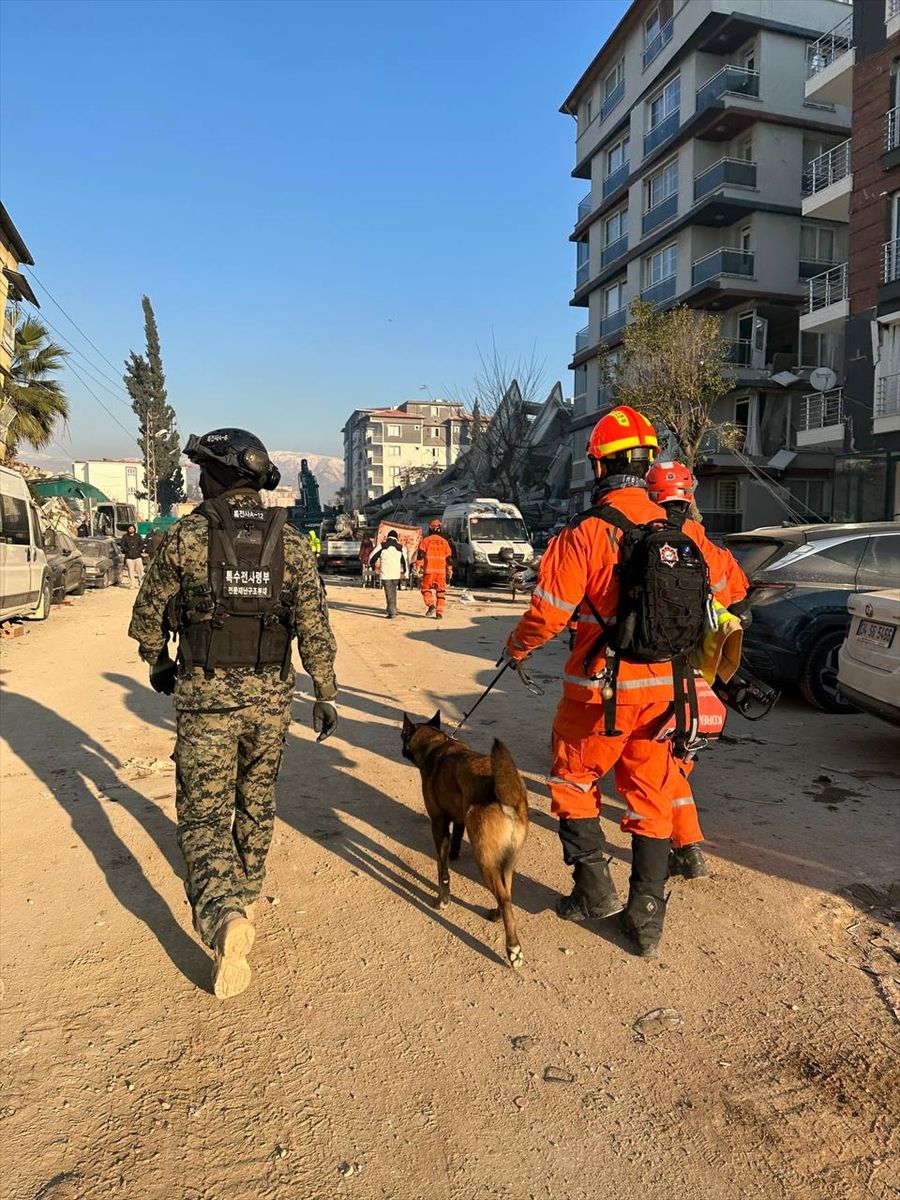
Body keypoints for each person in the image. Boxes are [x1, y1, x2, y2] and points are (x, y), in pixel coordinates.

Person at [503, 406, 745, 957]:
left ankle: (593, 890)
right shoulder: (684, 535)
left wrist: (516, 648)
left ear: (599, 466)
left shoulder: (585, 534)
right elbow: (733, 587)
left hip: (600, 694)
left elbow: (548, 614)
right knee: (653, 796)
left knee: (572, 781)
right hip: (670, 693)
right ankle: (647, 916)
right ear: (649, 462)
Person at [128, 428, 338, 999]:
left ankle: (223, 916)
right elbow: (315, 626)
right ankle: (244, 896)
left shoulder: (186, 536)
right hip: (271, 702)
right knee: (256, 803)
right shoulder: (290, 543)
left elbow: (148, 617)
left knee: (202, 816)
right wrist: (325, 691)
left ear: (218, 475)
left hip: (206, 700)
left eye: (203, 468)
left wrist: (158, 662)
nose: (199, 477)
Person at [644, 459, 750, 880]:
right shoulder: (705, 545)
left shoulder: (639, 535)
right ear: (690, 495)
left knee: (656, 765)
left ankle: (686, 847)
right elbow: (736, 595)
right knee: (677, 760)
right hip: (696, 672)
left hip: (649, 669)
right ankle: (687, 846)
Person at [417, 519, 454, 619]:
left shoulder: (426, 541)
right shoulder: (444, 542)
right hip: (441, 572)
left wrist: (418, 567)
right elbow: (449, 559)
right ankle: (439, 613)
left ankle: (431, 604)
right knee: (441, 592)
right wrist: (449, 571)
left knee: (425, 589)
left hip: (429, 570)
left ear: (430, 528)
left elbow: (420, 555)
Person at [368, 530, 408, 618]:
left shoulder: (382, 546)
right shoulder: (401, 548)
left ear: (388, 537)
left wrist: (372, 566)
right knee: (393, 592)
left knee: (389, 592)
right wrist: (405, 573)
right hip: (396, 573)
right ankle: (393, 608)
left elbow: (371, 557)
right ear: (396, 538)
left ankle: (392, 612)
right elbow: (405, 561)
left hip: (386, 573)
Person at [120, 525, 145, 589]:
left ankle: (141, 583)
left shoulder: (138, 536)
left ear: (134, 529)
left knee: (140, 571)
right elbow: (122, 545)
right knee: (130, 572)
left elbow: (142, 544)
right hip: (129, 557)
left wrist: (138, 550)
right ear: (128, 530)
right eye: (130, 529)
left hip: (138, 557)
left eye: (132, 528)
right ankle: (132, 584)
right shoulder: (125, 536)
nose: (131, 530)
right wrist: (127, 550)